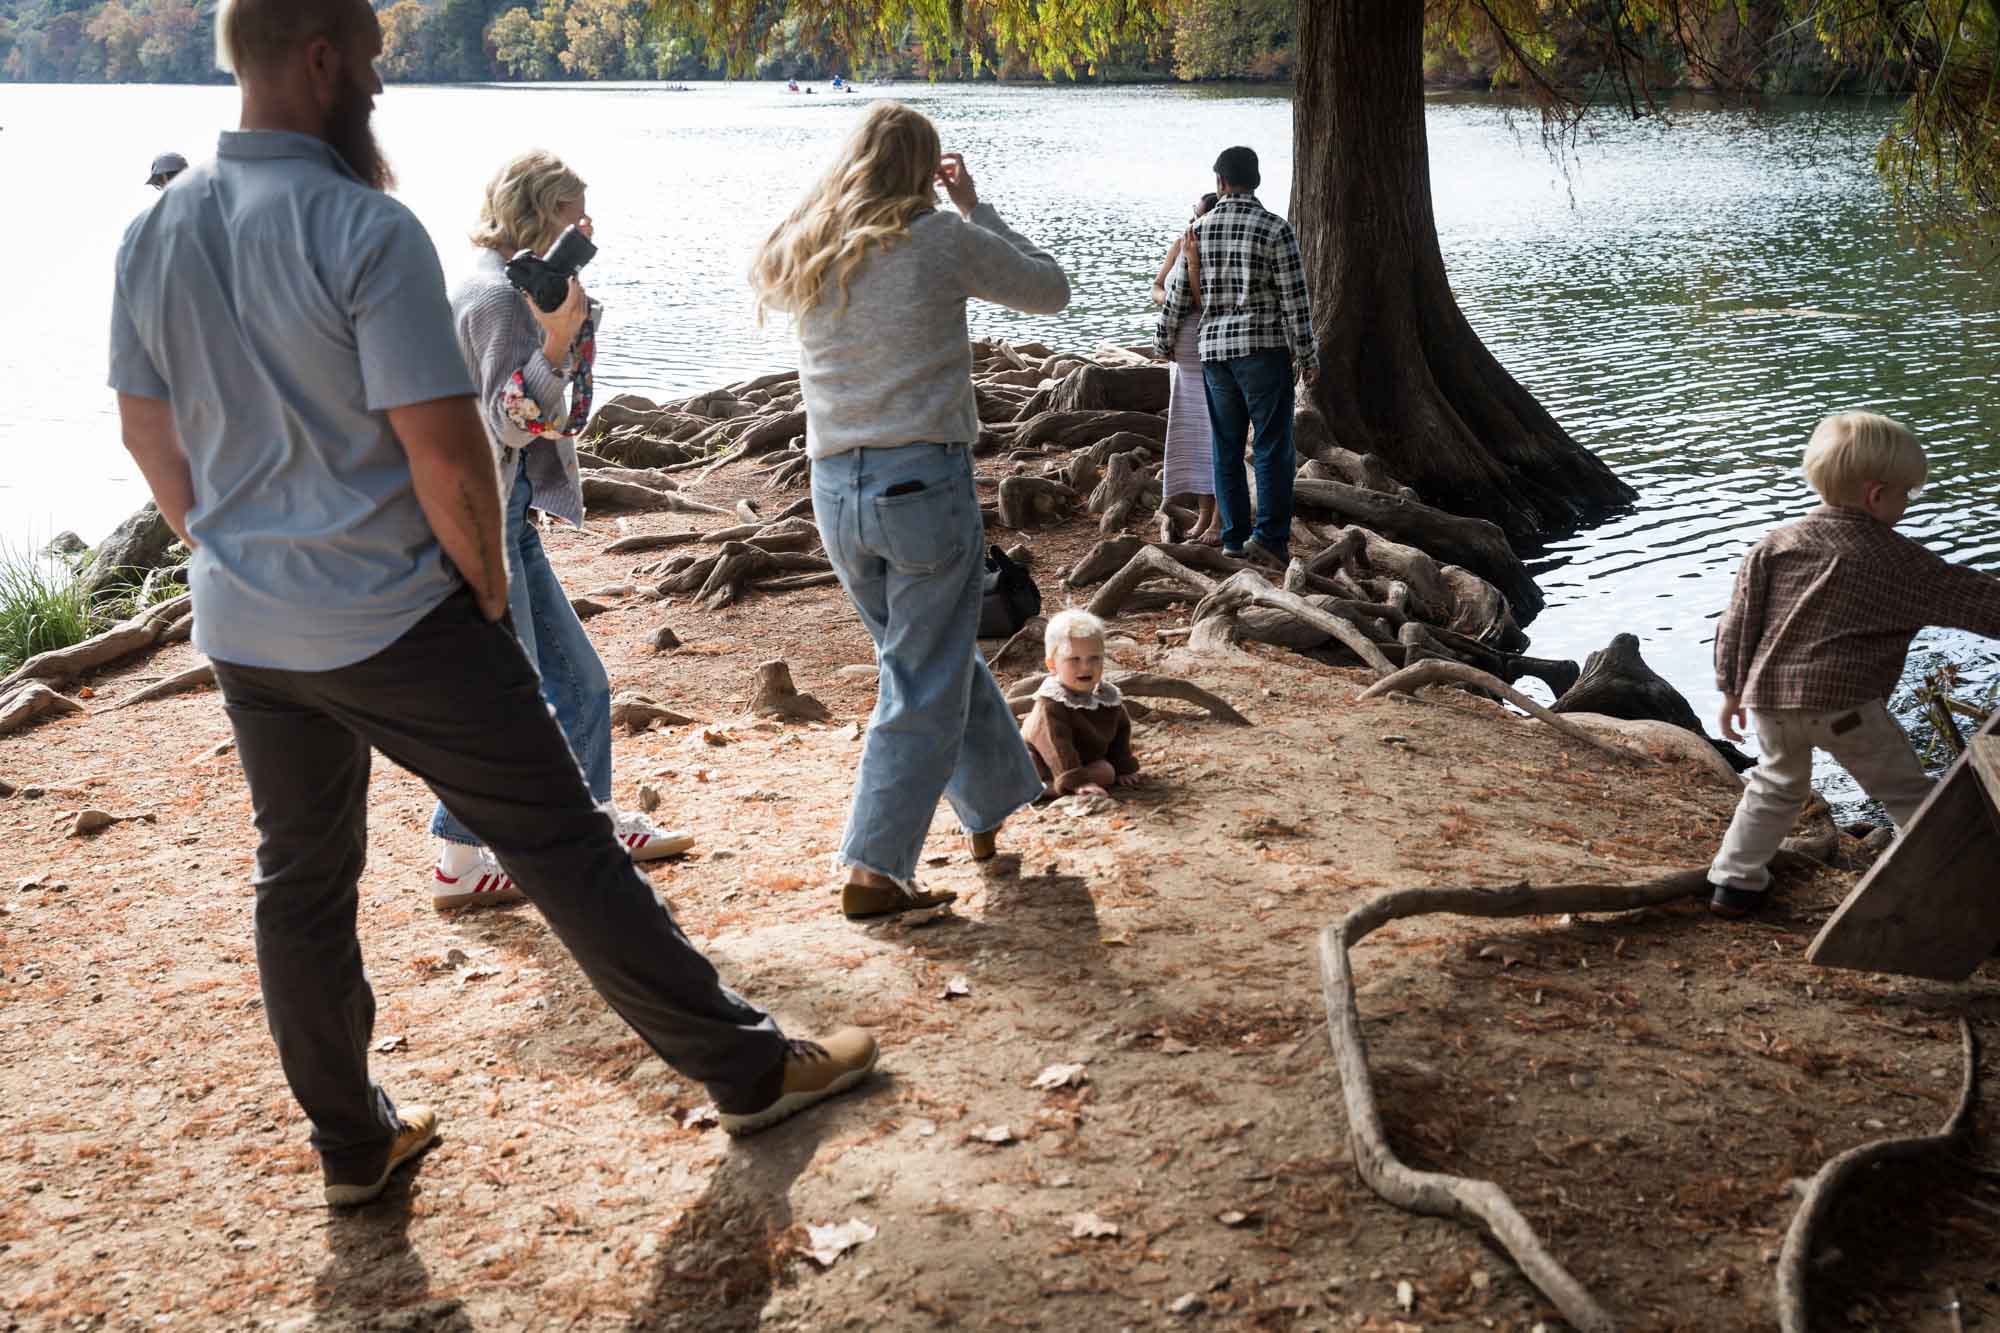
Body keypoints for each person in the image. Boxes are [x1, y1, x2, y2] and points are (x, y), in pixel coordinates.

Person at [108, 0, 878, 1206]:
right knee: (564, 842)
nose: (377, 82)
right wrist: (482, 591)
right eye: (367, 59)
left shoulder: (157, 229)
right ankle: (744, 1069)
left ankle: (352, 1144)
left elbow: (146, 431)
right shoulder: (366, 227)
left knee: (298, 884)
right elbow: (449, 454)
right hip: (395, 616)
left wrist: (225, 545)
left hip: (246, 625)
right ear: (318, 59)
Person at [748, 102, 1069, 920]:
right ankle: (873, 868)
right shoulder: (939, 239)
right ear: (926, 172)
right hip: (921, 486)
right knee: (920, 674)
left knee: (930, 654)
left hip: (833, 492)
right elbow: (1052, 290)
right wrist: (974, 208)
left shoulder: (807, 243)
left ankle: (997, 803)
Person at [424, 150, 689, 911]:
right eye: (575, 213)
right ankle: (461, 857)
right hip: (484, 516)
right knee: (512, 700)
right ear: (540, 215)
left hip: (503, 511)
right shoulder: (499, 298)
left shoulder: (512, 283)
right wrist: (555, 339)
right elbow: (514, 421)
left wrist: (567, 320)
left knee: (580, 683)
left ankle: (592, 821)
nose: (588, 227)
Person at [1707, 411, 2000, 918]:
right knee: (1907, 793)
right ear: (1876, 494)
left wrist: (1731, 691)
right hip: (1847, 707)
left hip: (1770, 703)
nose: (1907, 504)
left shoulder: (1774, 544)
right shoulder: (1896, 559)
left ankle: (1734, 884)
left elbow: (1737, 622)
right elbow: (1974, 599)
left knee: (1775, 787)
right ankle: (1960, 888)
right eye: (1906, 493)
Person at [1154, 145, 1316, 570]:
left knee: (1225, 447)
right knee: (1271, 446)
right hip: (1264, 352)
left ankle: (1233, 537)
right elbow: (1294, 301)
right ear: (1256, 180)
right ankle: (1270, 541)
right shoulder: (1275, 229)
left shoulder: (1199, 230)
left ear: (1220, 182)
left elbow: (1175, 295)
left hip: (1215, 355)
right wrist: (1308, 355)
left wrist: (1163, 341)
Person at [1151, 191, 1220, 545]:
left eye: (1199, 215)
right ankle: (1204, 512)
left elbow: (1202, 301)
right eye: (1193, 214)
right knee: (1192, 435)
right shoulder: (1180, 244)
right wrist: (1168, 301)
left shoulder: (1214, 254)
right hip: (1181, 357)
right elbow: (1158, 287)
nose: (1193, 221)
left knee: (1212, 433)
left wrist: (1193, 266)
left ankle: (1219, 517)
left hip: (1206, 352)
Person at [1021, 610, 1141, 798]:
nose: (1086, 667)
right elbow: (1057, 745)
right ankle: (1046, 788)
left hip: (1081, 762)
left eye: (1094, 658)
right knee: (1027, 764)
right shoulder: (1052, 702)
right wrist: (1078, 782)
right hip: (1043, 759)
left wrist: (1123, 766)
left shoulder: (1107, 697)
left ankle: (1056, 786)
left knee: (1107, 771)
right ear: (1052, 665)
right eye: (1074, 659)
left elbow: (1120, 734)